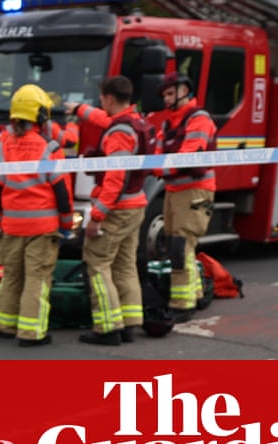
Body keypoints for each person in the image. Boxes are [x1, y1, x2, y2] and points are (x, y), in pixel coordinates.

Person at [0, 85, 71, 346]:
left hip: (11, 225)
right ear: (42, 115)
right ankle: (31, 332)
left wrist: (0, 218)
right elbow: (61, 190)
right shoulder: (49, 146)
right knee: (37, 279)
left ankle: (3, 325)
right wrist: (66, 224)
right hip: (42, 227)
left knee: (12, 275)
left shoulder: (3, 145)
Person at [74, 76, 151, 345]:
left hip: (117, 208)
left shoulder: (119, 133)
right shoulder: (135, 122)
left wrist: (97, 216)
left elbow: (115, 178)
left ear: (108, 98)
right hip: (136, 205)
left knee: (97, 263)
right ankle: (129, 323)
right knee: (124, 265)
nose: (100, 103)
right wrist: (78, 110)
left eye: (101, 99)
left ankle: (107, 328)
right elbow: (104, 119)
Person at [156, 71, 217, 322]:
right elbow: (158, 152)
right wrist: (159, 167)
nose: (167, 100)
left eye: (171, 94)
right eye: (164, 95)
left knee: (181, 246)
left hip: (194, 189)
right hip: (174, 190)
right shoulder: (168, 123)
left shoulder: (199, 119)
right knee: (178, 246)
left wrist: (159, 168)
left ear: (185, 91)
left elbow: (187, 156)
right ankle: (196, 294)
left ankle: (182, 305)